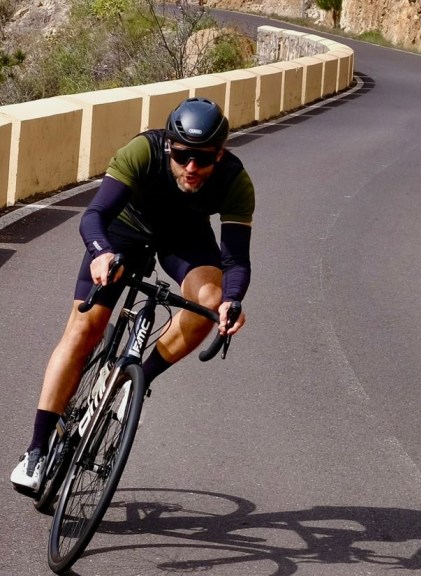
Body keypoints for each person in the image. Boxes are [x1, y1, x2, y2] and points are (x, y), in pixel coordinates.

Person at [10, 97, 254, 493]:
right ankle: (36, 451)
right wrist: (101, 253)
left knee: (211, 300)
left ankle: (131, 380)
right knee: (84, 328)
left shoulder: (234, 180)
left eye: (204, 158)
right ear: (169, 146)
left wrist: (233, 298)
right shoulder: (143, 150)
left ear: (220, 153)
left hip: (183, 236)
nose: (191, 168)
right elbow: (94, 215)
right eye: (182, 156)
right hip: (123, 229)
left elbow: (236, 260)